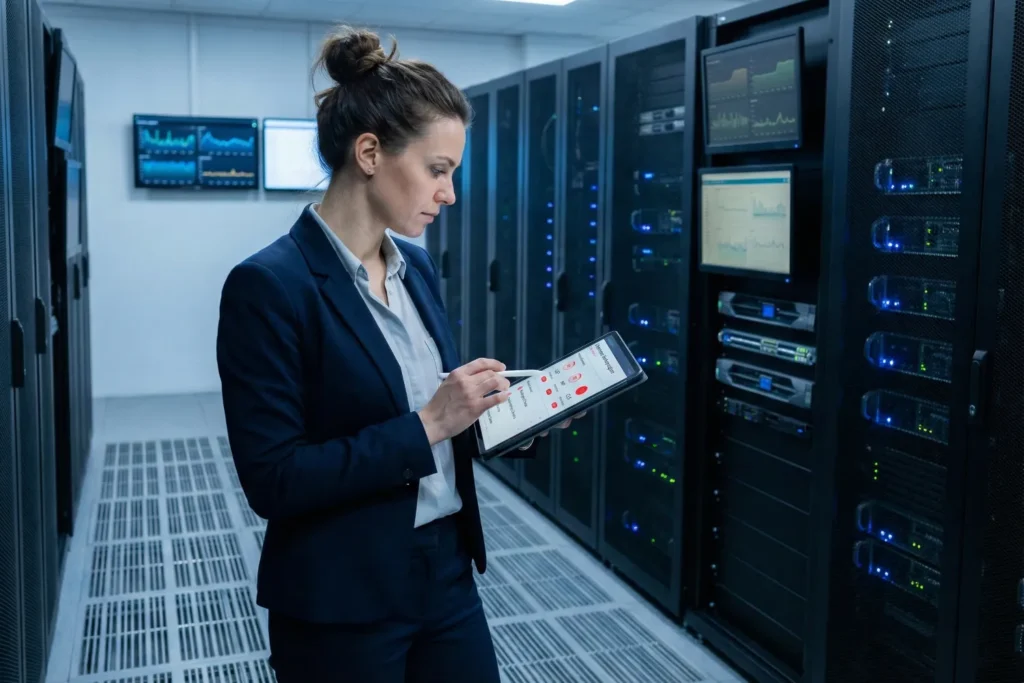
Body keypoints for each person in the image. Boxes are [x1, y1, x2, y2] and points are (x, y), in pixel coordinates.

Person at [216, 25, 578, 683]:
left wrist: (509, 418)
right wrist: (432, 421)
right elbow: (274, 478)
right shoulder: (269, 287)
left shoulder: (414, 265)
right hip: (341, 597)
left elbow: (436, 418)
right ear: (370, 152)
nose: (450, 194)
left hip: (445, 570)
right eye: (438, 171)